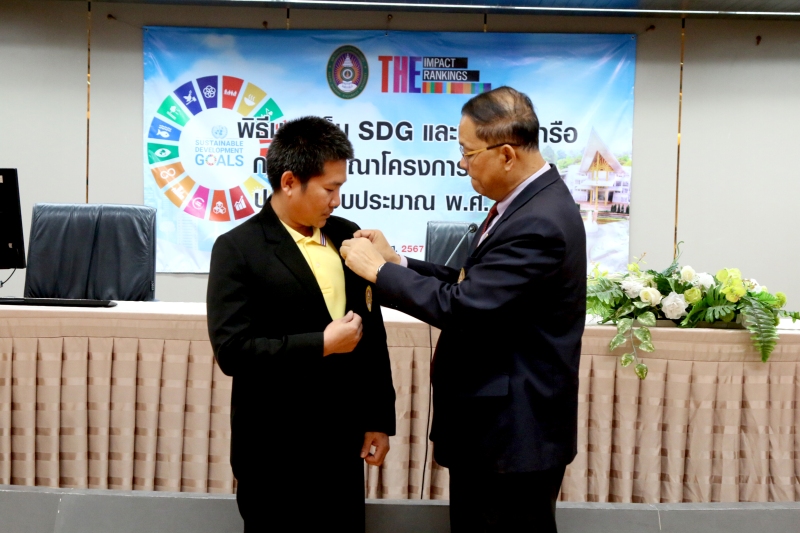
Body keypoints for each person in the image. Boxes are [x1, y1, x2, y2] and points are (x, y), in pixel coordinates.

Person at [340, 87, 586, 533]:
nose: (461, 164)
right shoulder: (528, 204)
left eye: (468, 153)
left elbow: (467, 306)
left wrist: (378, 272)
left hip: (512, 436)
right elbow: (472, 281)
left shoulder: (540, 221)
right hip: (498, 432)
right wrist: (399, 263)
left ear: (506, 154)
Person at [206, 116, 396, 532]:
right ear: (290, 182)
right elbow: (233, 351)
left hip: (342, 445)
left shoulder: (348, 237)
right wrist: (321, 344)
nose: (337, 201)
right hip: (274, 449)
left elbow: (373, 336)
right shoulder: (238, 248)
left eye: (341, 188)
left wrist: (378, 418)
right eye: (329, 189)